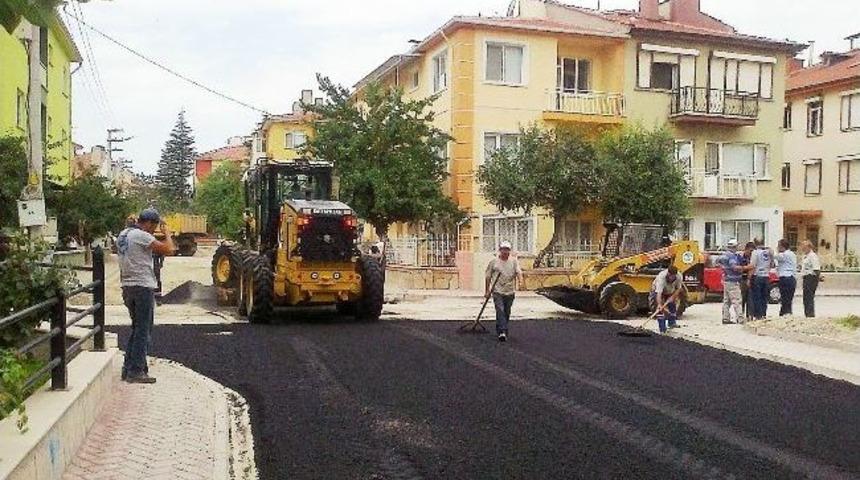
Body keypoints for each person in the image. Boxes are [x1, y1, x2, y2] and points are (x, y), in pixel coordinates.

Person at [116, 208, 175, 384]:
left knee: (136, 328)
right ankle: (136, 371)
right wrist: (167, 234)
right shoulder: (141, 235)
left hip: (127, 286)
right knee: (143, 330)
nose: (154, 229)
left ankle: (128, 368)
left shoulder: (123, 234)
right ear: (148, 223)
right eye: (154, 225)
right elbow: (169, 249)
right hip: (142, 287)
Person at [485, 241, 523, 342]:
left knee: (506, 311)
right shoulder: (494, 262)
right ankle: (502, 331)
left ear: (510, 251)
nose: (505, 252)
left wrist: (520, 282)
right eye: (503, 249)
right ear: (500, 250)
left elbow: (519, 272)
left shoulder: (514, 261)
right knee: (500, 310)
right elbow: (488, 276)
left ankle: (501, 329)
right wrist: (487, 290)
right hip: (497, 290)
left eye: (507, 249)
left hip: (510, 291)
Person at [716, 239, 745, 324]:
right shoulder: (732, 256)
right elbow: (734, 267)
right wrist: (743, 268)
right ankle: (740, 319)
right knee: (737, 301)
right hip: (733, 281)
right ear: (734, 247)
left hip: (726, 280)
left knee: (726, 301)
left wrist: (724, 269)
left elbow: (717, 262)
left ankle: (725, 318)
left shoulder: (724, 255)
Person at [650, 265, 683, 333]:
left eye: (673, 276)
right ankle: (662, 329)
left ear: (675, 275)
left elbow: (678, 289)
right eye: (670, 276)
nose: (671, 278)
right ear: (668, 273)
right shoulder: (661, 277)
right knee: (660, 310)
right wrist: (659, 304)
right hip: (658, 291)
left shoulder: (679, 276)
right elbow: (659, 293)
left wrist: (672, 297)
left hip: (670, 290)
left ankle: (672, 323)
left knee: (672, 305)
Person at [747, 238, 774, 320]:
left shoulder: (755, 253)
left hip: (757, 276)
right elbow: (772, 264)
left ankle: (758, 315)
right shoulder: (768, 252)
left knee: (757, 296)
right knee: (764, 297)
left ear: (755, 244)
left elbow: (753, 266)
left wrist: (749, 278)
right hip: (766, 276)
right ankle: (763, 314)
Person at [775, 239, 797, 316]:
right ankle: (785, 313)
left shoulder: (785, 254)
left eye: (778, 246)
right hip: (791, 278)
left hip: (786, 278)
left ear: (782, 247)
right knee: (788, 299)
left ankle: (786, 314)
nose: (777, 248)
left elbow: (774, 256)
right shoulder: (792, 254)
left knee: (785, 299)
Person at [799, 240, 822, 318]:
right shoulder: (806, 256)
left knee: (809, 296)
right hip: (806, 277)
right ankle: (807, 313)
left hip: (811, 277)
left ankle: (810, 314)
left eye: (804, 247)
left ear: (809, 247)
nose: (802, 248)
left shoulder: (812, 256)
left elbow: (816, 268)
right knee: (806, 297)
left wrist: (818, 278)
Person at [740, 242, 755, 320]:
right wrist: (747, 267)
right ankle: (740, 315)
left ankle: (749, 316)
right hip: (742, 279)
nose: (751, 253)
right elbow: (739, 268)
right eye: (750, 251)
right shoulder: (741, 257)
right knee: (742, 298)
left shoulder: (753, 258)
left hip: (751, 279)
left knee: (750, 299)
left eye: (752, 251)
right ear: (746, 249)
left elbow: (753, 267)